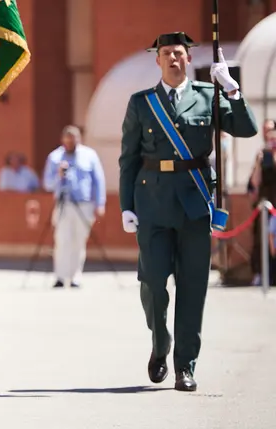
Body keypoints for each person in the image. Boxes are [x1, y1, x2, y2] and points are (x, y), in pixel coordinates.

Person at [119, 32, 257, 392]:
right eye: (166, 53)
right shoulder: (142, 103)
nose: (173, 59)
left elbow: (247, 129)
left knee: (193, 288)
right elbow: (128, 158)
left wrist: (232, 90)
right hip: (152, 203)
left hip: (195, 204)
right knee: (152, 282)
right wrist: (126, 207)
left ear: (188, 58)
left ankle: (185, 365)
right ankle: (160, 342)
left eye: (179, 53)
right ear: (157, 60)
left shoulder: (208, 95)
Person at [42, 125, 106, 288]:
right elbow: (47, 184)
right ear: (63, 140)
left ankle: (75, 276)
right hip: (63, 203)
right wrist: (58, 175)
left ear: (79, 139)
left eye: (73, 140)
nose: (70, 143)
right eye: (67, 140)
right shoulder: (55, 157)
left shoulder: (89, 155)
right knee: (62, 240)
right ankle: (60, 276)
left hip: (84, 204)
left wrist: (100, 203)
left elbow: (98, 180)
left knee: (79, 240)